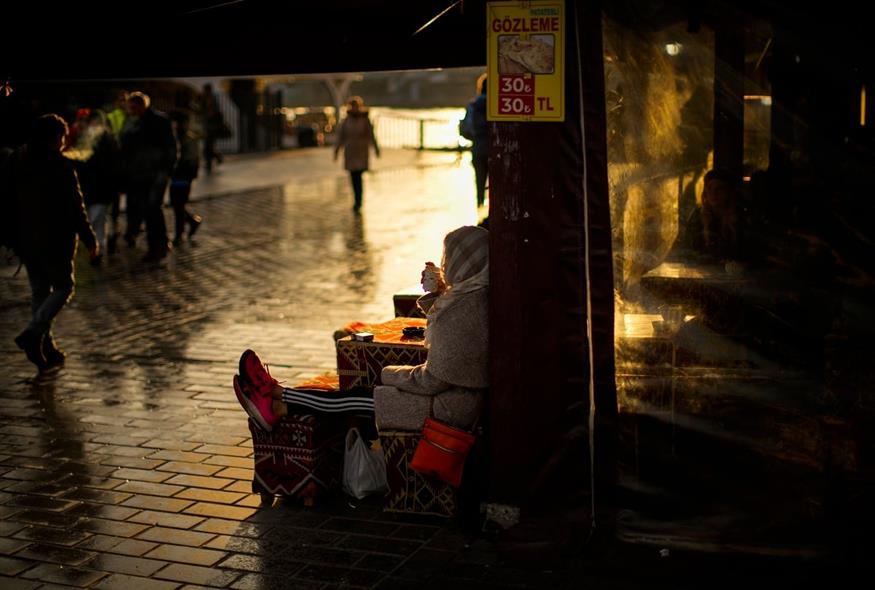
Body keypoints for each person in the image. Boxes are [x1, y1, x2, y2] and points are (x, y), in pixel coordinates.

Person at [232, 225, 488, 434]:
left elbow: (432, 380)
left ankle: (276, 403)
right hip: (454, 401)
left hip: (446, 409)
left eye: (449, 258)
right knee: (357, 396)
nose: (445, 264)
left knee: (353, 399)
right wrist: (439, 291)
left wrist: (388, 374)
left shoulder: (462, 311)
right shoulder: (473, 296)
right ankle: (278, 399)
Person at [8, 114, 98, 370]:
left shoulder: (17, 159)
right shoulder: (59, 164)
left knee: (39, 291)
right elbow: (75, 206)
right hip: (55, 238)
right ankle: (33, 334)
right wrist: (90, 238)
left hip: (25, 237)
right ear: (55, 137)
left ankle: (45, 346)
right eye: (63, 136)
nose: (64, 141)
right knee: (63, 287)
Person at [120, 91, 177, 262]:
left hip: (156, 172)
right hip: (139, 174)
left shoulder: (159, 121)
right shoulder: (132, 123)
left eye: (133, 107)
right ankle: (159, 244)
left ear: (141, 105)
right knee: (148, 210)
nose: (131, 110)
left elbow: (170, 147)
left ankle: (157, 247)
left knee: (152, 209)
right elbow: (127, 147)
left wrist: (166, 170)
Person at [78, 109, 121, 266]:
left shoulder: (108, 141)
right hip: (91, 187)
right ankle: (96, 248)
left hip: (101, 187)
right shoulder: (87, 140)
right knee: (94, 220)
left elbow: (113, 166)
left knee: (97, 219)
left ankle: (98, 250)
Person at [333, 96, 380, 212]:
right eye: (352, 106)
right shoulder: (346, 120)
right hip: (350, 152)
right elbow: (341, 137)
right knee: (353, 177)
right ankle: (357, 200)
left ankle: (358, 200)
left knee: (358, 176)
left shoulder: (365, 119)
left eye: (356, 106)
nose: (354, 108)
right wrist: (336, 150)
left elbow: (371, 135)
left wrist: (376, 148)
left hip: (361, 151)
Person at [169, 112, 202, 246]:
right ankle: (192, 222)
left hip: (183, 177)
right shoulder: (176, 138)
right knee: (177, 204)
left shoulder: (188, 139)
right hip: (176, 176)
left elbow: (191, 161)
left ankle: (179, 234)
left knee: (178, 204)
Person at [460, 74, 489, 208]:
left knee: (479, 183)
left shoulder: (473, 106)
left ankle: (480, 211)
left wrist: (477, 137)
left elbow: (465, 129)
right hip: (496, 151)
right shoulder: (501, 105)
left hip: (478, 149)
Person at [200, 83, 225, 174]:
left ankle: (210, 163)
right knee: (209, 147)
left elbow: (211, 113)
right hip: (209, 127)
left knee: (208, 147)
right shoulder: (207, 98)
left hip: (211, 127)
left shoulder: (210, 99)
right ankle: (214, 160)